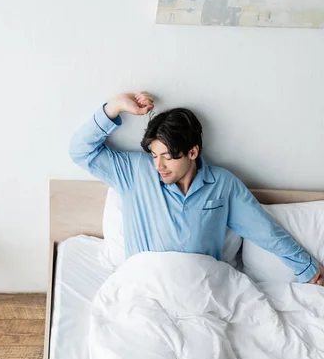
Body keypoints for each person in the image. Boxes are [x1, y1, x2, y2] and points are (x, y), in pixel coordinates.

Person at [69, 91, 324, 285]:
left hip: (200, 290)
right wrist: (115, 107)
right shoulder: (134, 171)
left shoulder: (223, 185)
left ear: (192, 152)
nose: (159, 165)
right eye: (154, 155)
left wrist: (308, 268)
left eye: (168, 156)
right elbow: (80, 151)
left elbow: (265, 231)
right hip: (145, 287)